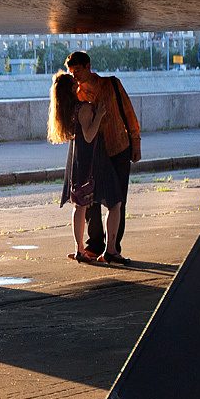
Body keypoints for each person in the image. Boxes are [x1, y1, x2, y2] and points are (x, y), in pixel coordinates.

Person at [65, 51, 140, 264]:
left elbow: (129, 113)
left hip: (118, 148)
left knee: (117, 200)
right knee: (90, 202)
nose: (75, 76)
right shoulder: (76, 94)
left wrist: (136, 143)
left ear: (88, 66)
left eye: (77, 71)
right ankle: (94, 246)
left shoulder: (111, 85)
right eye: (72, 73)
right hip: (95, 153)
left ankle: (113, 247)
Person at [48, 71, 123, 264]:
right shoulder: (84, 108)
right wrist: (99, 115)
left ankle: (79, 249)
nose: (79, 86)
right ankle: (111, 250)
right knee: (115, 203)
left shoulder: (66, 111)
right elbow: (89, 136)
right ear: (73, 89)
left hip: (78, 162)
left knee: (79, 206)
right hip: (96, 160)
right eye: (76, 84)